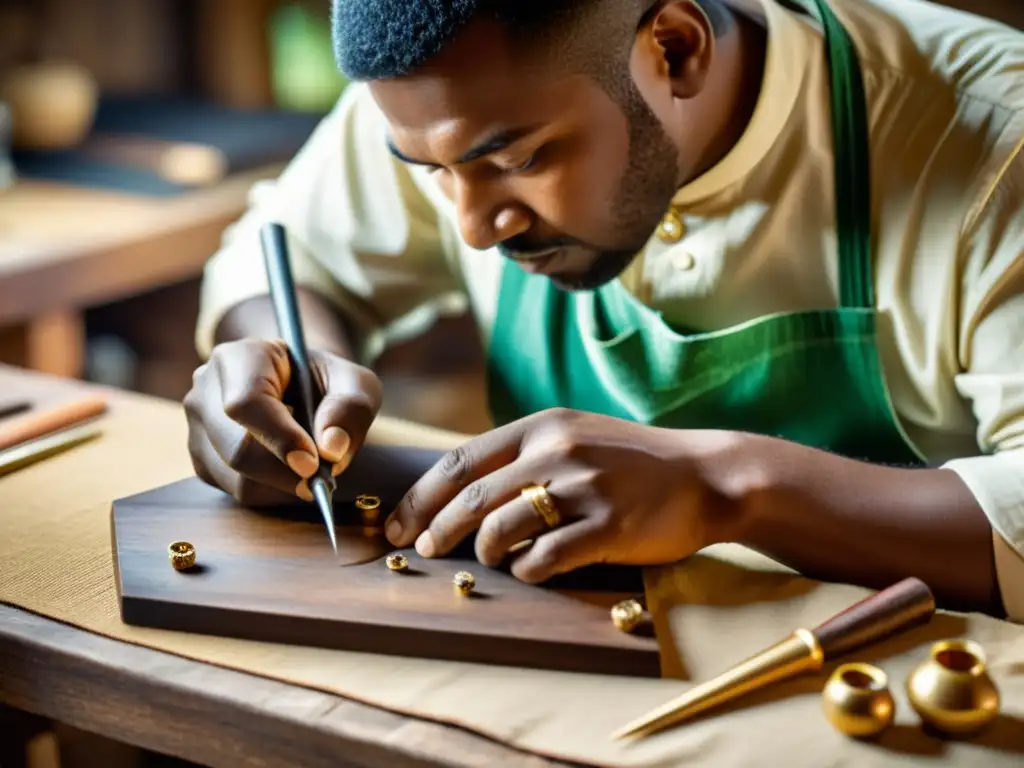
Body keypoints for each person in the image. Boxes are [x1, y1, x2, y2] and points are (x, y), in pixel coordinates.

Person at [184, 0, 1024, 622]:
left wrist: (727, 488)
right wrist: (279, 362)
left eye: (519, 158)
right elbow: (283, 259)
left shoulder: (994, 136)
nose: (474, 227)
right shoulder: (446, 105)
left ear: (674, 47)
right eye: (427, 172)